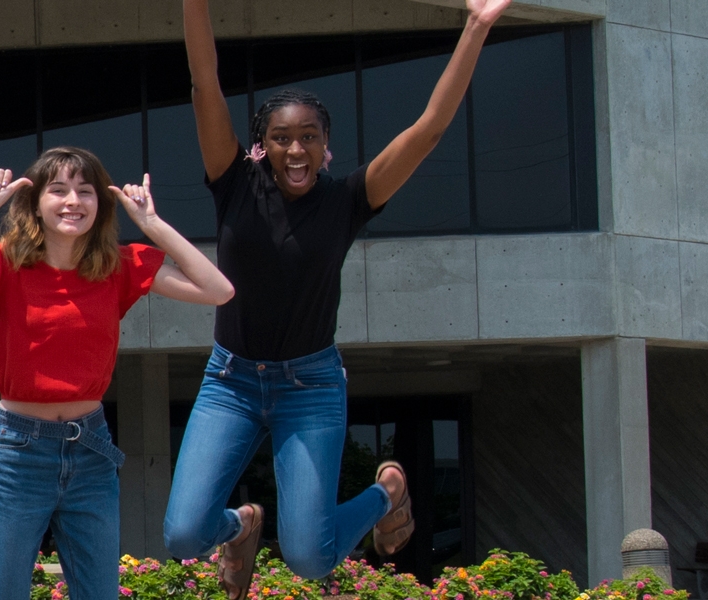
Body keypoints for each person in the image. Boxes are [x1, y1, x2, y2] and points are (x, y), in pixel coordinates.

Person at [161, 0, 512, 594]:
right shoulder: (233, 184)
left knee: (310, 558)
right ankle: (242, 525)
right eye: (281, 139)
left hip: (311, 386)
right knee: (184, 536)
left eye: (308, 138)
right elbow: (204, 83)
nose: (295, 151)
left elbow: (429, 128)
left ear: (326, 145)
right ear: (260, 146)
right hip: (232, 382)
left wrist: (476, 26)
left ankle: (387, 493)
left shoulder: (348, 199)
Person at [0, 149, 233, 600]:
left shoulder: (118, 265)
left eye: (85, 190)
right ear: (36, 201)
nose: (72, 201)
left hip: (91, 450)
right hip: (18, 452)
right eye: (58, 190)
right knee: (4, 593)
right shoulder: (6, 262)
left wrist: (152, 223)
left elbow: (218, 290)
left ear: (101, 203)